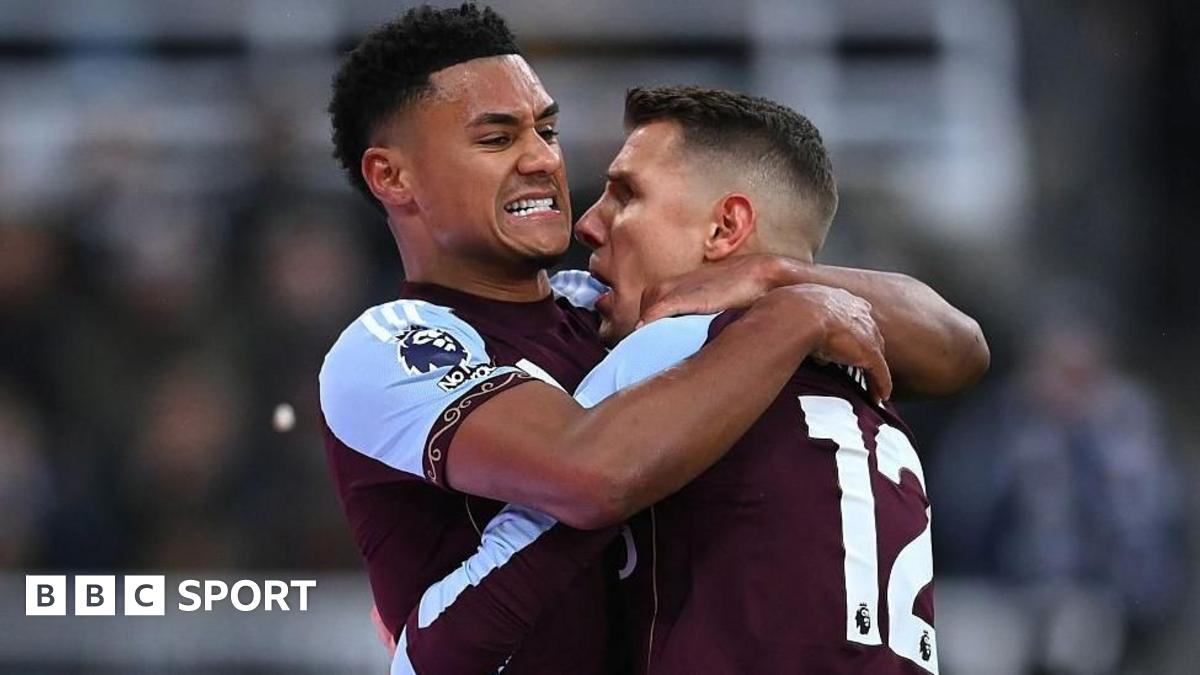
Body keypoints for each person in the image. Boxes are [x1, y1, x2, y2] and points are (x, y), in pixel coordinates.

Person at [319, 5, 986, 673]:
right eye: (497, 140)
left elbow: (961, 349)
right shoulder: (389, 345)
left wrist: (780, 276)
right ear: (392, 176)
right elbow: (591, 474)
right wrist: (796, 313)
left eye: (546, 129)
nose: (542, 159)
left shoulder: (622, 312)